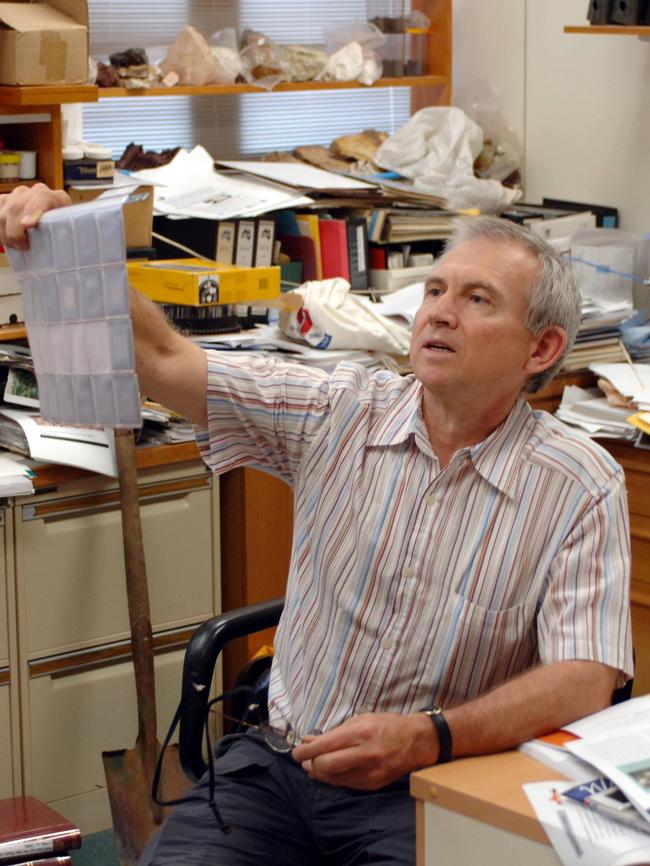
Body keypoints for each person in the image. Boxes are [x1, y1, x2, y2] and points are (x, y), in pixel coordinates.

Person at [0, 185, 633, 865]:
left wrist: (430, 736)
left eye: (477, 300)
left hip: (431, 782)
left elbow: (584, 675)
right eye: (434, 292)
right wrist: (76, 245)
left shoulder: (579, 484)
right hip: (281, 763)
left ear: (542, 349)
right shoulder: (338, 411)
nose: (440, 314)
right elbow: (160, 361)